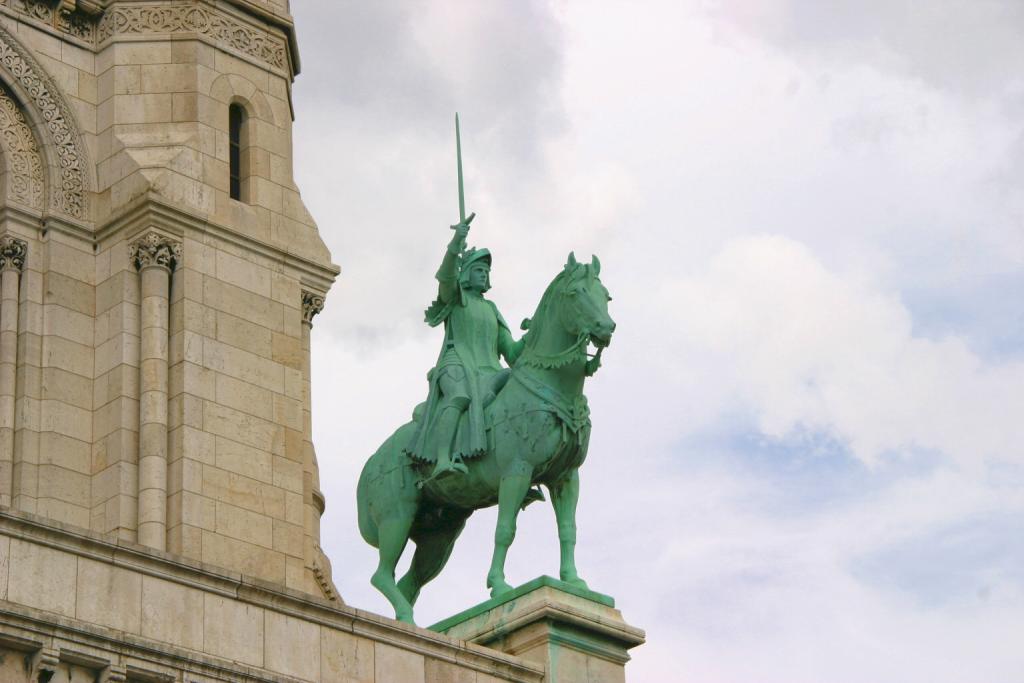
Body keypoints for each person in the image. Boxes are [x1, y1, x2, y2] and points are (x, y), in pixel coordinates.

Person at [406, 218, 523, 481]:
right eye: (479, 269)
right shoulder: (457, 298)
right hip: (456, 364)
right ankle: (443, 459)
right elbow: (446, 277)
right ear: (466, 273)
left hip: (490, 371)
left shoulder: (492, 309)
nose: (485, 274)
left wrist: (536, 333)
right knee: (459, 396)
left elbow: (513, 354)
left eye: (487, 271)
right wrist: (456, 243)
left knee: (519, 393)